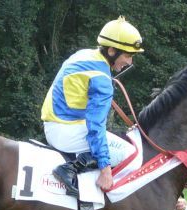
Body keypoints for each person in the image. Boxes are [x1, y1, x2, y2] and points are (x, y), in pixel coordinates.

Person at [41, 16, 143, 197]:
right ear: (112, 50)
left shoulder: (84, 54)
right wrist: (105, 169)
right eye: (128, 55)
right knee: (130, 154)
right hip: (65, 132)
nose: (130, 62)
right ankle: (69, 169)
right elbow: (96, 127)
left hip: (57, 125)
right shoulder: (101, 79)